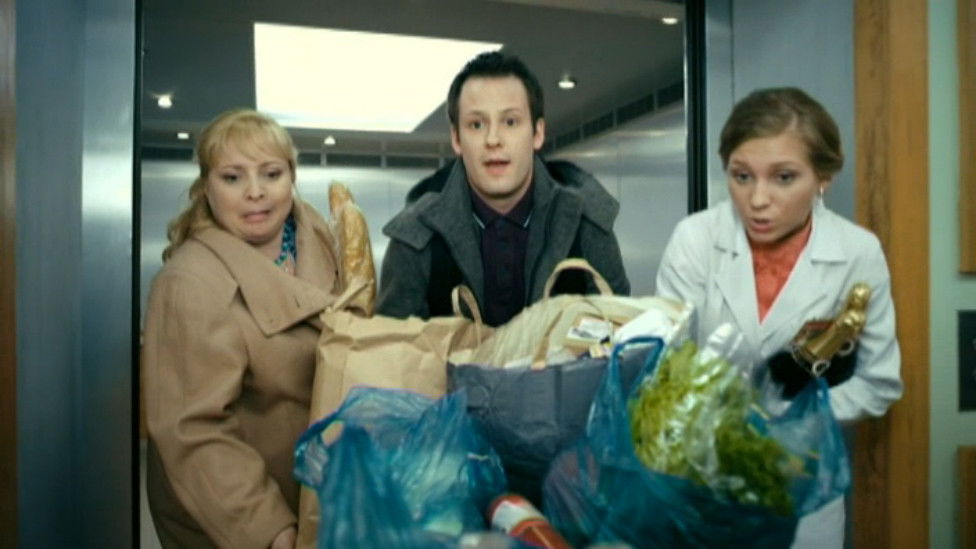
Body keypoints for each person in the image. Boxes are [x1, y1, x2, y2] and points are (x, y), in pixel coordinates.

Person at [655, 87, 903, 547]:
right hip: (704, 484)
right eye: (742, 176)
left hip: (802, 491)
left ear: (824, 177)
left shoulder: (856, 252)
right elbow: (666, 364)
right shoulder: (696, 239)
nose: (757, 199)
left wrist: (792, 424)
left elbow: (879, 382)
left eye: (784, 178)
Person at [143, 109, 340, 549]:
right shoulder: (188, 284)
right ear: (206, 187)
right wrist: (269, 528)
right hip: (238, 518)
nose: (255, 192)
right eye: (232, 177)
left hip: (316, 500)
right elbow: (194, 431)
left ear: (291, 177)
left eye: (271, 173)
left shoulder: (321, 239)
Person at [376, 51, 629, 326]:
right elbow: (393, 347)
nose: (493, 139)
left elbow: (622, 337)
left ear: (537, 133)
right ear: (457, 139)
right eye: (476, 124)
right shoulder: (414, 239)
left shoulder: (587, 223)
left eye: (510, 122)